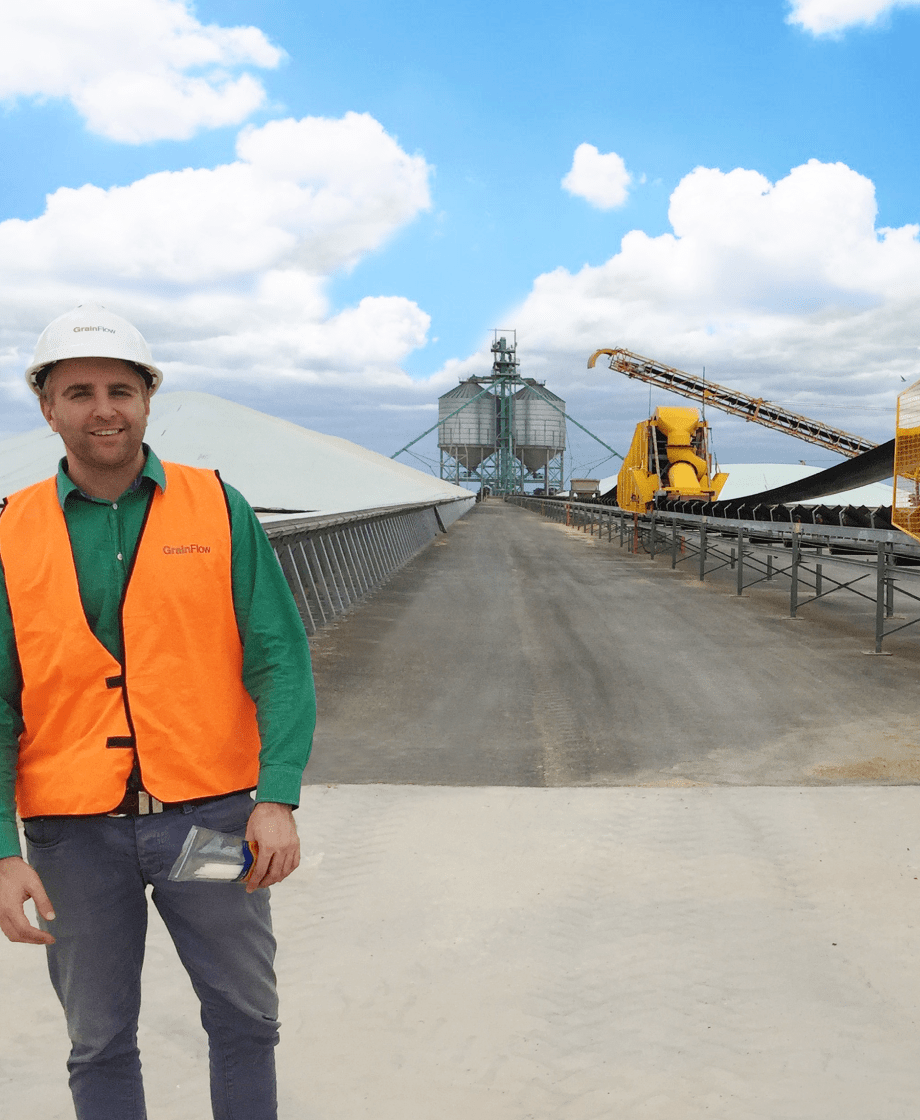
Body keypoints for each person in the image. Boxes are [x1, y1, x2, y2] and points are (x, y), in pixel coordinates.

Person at [0, 302, 316, 1120]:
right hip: (75, 837)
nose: (101, 408)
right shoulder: (11, 529)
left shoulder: (217, 506)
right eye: (78, 392)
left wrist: (276, 796)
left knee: (245, 1019)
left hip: (204, 824)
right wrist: (2, 847)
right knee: (99, 1037)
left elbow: (279, 656)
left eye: (119, 389)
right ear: (47, 407)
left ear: (147, 399)